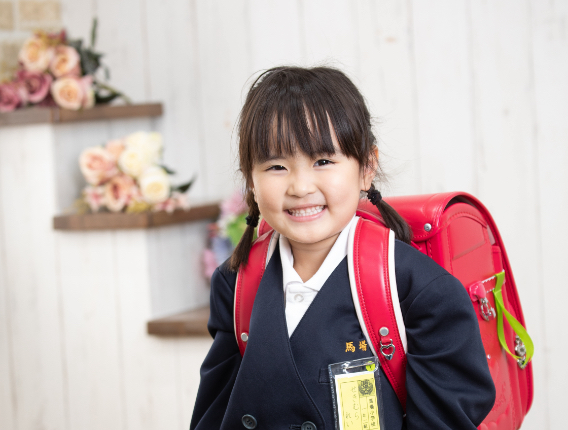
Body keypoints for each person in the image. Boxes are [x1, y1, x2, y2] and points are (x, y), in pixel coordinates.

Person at [190, 66, 495, 430]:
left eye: (323, 161)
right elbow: (214, 414)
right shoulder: (236, 285)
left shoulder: (419, 290)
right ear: (250, 182)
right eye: (276, 166)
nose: (301, 187)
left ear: (366, 167)